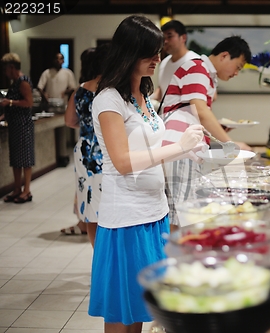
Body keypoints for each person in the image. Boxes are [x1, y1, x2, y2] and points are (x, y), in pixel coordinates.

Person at [88, 15, 205, 333]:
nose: (158, 58)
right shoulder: (108, 100)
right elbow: (123, 162)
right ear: (128, 53)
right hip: (126, 218)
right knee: (120, 310)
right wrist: (180, 146)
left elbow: (155, 144)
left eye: (159, 51)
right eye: (150, 53)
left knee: (141, 307)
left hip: (155, 212)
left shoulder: (144, 99)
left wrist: (188, 143)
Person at [160, 35, 251, 227]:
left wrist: (218, 129)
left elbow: (194, 111)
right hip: (181, 146)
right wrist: (229, 145)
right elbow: (200, 111)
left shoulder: (205, 72)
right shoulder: (198, 68)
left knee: (184, 210)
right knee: (181, 214)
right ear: (225, 55)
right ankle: (175, 254)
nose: (236, 73)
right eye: (238, 66)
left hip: (186, 145)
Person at [61, 44, 109, 244]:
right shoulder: (111, 89)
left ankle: (95, 252)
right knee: (106, 202)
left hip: (84, 149)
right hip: (105, 150)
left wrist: (87, 124)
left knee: (89, 203)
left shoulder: (79, 90)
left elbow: (70, 121)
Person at [0, 53, 35, 204]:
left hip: (23, 125)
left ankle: (26, 190)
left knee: (25, 159)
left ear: (12, 67)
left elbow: (29, 102)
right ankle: (17, 189)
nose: (5, 72)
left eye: (6, 69)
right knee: (15, 160)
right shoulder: (15, 82)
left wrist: (11, 102)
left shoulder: (23, 81)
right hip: (14, 125)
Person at [150, 19, 198, 102]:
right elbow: (162, 91)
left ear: (183, 38)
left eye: (170, 36)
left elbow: (211, 95)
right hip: (165, 113)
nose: (165, 41)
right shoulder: (164, 63)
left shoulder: (195, 62)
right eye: (163, 38)